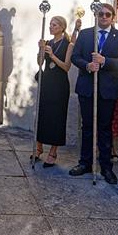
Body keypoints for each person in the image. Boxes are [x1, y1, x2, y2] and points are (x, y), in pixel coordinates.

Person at [69, 2, 118, 184]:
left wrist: (105, 61)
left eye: (107, 14)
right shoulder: (86, 34)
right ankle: (85, 162)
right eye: (101, 14)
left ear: (113, 17)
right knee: (87, 127)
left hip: (108, 90)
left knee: (104, 129)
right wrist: (87, 65)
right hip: (88, 87)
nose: (104, 17)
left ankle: (106, 167)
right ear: (96, 16)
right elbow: (75, 56)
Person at [34, 16, 75, 167]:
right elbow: (40, 63)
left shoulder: (68, 44)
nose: (51, 27)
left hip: (59, 85)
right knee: (43, 114)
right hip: (47, 83)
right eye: (50, 25)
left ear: (62, 27)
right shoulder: (48, 43)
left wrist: (52, 55)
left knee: (56, 117)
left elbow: (66, 67)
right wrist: (40, 50)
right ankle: (38, 148)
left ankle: (53, 152)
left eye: (54, 25)